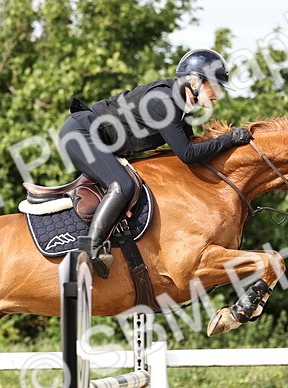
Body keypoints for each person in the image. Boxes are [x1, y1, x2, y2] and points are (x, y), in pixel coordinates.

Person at [58, 48, 253, 277]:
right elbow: (187, 154)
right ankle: (89, 249)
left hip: (96, 138)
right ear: (194, 81)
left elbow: (192, 146)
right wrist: (229, 140)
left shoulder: (181, 106)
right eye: (214, 86)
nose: (217, 95)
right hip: (82, 135)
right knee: (123, 185)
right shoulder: (165, 102)